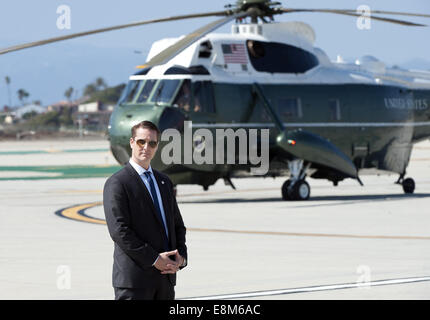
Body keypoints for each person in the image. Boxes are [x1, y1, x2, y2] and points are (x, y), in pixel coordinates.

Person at [103, 120, 187, 300]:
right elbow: (120, 231)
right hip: (135, 281)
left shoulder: (164, 182)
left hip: (165, 280)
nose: (146, 147)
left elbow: (177, 226)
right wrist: (155, 260)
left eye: (152, 143)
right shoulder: (118, 183)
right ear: (132, 142)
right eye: (141, 141)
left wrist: (180, 258)